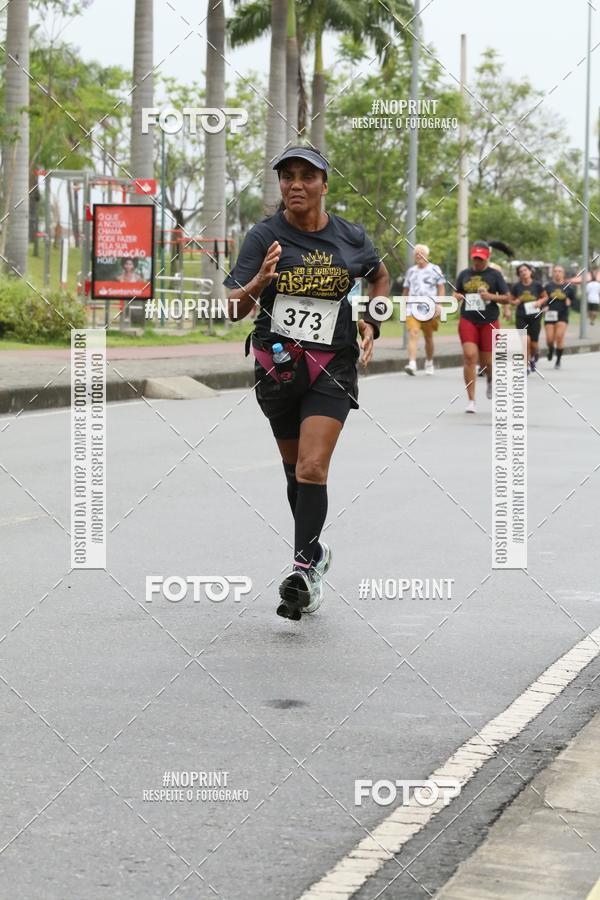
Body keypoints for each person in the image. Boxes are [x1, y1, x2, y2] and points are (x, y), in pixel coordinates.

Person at [224, 146, 390, 620]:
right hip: (277, 364)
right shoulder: (264, 236)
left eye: (306, 176)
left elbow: (380, 278)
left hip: (331, 366)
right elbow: (233, 306)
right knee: (295, 470)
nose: (296, 184)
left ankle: (302, 572)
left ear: (324, 184)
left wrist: (373, 321)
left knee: (313, 468)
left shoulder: (350, 237)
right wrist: (259, 281)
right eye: (287, 177)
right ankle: (315, 554)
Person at [454, 240, 510, 413]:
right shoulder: (464, 274)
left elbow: (507, 297)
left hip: (489, 320)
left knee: (486, 362)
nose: (477, 262)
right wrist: (457, 296)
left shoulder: (495, 275)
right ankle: (471, 400)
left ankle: (490, 379)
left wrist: (490, 296)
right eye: (475, 258)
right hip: (468, 319)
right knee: (470, 356)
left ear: (488, 257)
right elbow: (457, 292)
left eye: (481, 259)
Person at [402, 244, 445, 376]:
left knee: (428, 337)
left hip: (429, 309)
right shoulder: (411, 271)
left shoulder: (435, 269)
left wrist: (439, 304)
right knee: (413, 333)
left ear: (427, 255)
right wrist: (403, 307)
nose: (419, 256)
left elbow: (441, 288)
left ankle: (429, 362)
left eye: (422, 253)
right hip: (412, 309)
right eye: (417, 254)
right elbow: (406, 291)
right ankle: (412, 363)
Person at [509, 263, 547, 373]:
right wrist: (515, 302)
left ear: (530, 271)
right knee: (525, 340)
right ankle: (526, 365)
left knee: (534, 344)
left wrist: (539, 301)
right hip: (521, 316)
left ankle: (534, 356)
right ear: (518, 274)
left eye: (525, 270)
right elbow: (510, 300)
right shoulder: (516, 287)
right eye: (520, 271)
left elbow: (545, 296)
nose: (523, 272)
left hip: (535, 317)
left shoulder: (537, 285)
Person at [541, 265, 576, 368]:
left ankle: (558, 360)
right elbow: (543, 299)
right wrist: (544, 306)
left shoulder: (569, 287)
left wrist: (570, 302)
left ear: (563, 273)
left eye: (560, 271)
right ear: (553, 273)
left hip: (562, 315)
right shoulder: (548, 286)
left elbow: (574, 301)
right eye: (555, 271)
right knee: (549, 339)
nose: (557, 273)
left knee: (559, 337)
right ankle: (551, 349)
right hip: (550, 315)